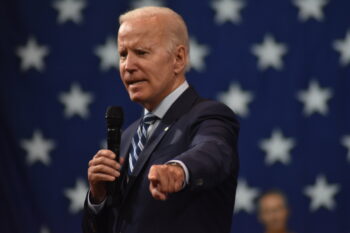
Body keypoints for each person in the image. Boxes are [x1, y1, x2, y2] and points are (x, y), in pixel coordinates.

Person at [82, 6, 239, 233]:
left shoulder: (209, 115)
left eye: (142, 52)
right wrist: (98, 198)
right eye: (123, 54)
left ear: (178, 58)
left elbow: (214, 150)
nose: (128, 66)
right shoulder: (128, 137)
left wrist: (179, 170)